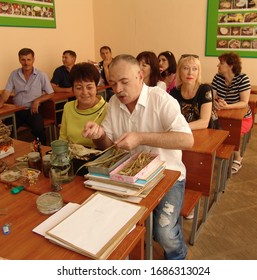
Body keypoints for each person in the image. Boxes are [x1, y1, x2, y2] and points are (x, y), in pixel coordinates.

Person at [82, 54, 194, 260]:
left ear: (140, 76)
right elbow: (108, 146)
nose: (118, 90)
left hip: (168, 176)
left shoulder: (161, 99)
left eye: (124, 82)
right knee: (114, 223)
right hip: (130, 177)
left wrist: (141, 137)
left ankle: (178, 256)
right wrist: (99, 135)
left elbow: (187, 140)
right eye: (113, 84)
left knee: (164, 232)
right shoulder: (114, 103)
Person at [0, 48, 54, 145]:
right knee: (4, 130)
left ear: (33, 60)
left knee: (39, 130)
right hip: (17, 110)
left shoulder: (41, 75)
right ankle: (10, 151)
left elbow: (51, 93)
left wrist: (37, 101)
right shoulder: (14, 74)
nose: (26, 63)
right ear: (19, 60)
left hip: (33, 110)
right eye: (23, 60)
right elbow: (7, 91)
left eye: (29, 59)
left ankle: (43, 150)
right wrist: (1, 102)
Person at [212, 52, 252, 174]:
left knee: (232, 133)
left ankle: (237, 158)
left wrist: (227, 106)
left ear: (231, 65)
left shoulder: (242, 78)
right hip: (222, 115)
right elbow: (212, 97)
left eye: (221, 63)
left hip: (242, 118)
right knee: (213, 131)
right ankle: (215, 153)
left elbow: (244, 102)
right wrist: (216, 103)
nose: (218, 65)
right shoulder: (217, 78)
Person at [59, 62, 107, 147]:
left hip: (99, 158)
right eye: (78, 88)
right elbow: (63, 139)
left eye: (89, 87)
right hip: (72, 156)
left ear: (96, 88)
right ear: (73, 89)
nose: (84, 92)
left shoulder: (108, 109)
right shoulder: (68, 107)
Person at [170, 54, 219, 130]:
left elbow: (204, 122)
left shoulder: (205, 90)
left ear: (198, 72)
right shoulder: (174, 92)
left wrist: (180, 128)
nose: (190, 73)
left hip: (207, 133)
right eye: (186, 68)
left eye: (194, 69)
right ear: (179, 71)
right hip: (183, 133)